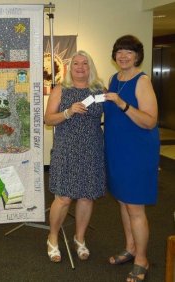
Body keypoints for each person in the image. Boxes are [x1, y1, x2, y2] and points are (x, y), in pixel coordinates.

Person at [103, 35, 160, 282]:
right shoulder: (114, 79)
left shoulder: (142, 81)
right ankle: (130, 247)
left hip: (137, 151)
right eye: (119, 51)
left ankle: (142, 259)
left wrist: (122, 103)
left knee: (135, 206)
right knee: (124, 202)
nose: (123, 56)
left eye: (129, 52)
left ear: (137, 56)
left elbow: (150, 121)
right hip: (117, 149)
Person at [44, 50, 106, 263]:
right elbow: (48, 119)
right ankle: (52, 237)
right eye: (76, 64)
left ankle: (80, 238)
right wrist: (68, 112)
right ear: (70, 68)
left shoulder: (100, 90)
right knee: (63, 197)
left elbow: (115, 117)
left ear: (91, 67)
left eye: (85, 64)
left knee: (87, 196)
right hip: (66, 149)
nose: (80, 67)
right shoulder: (61, 89)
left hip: (92, 149)